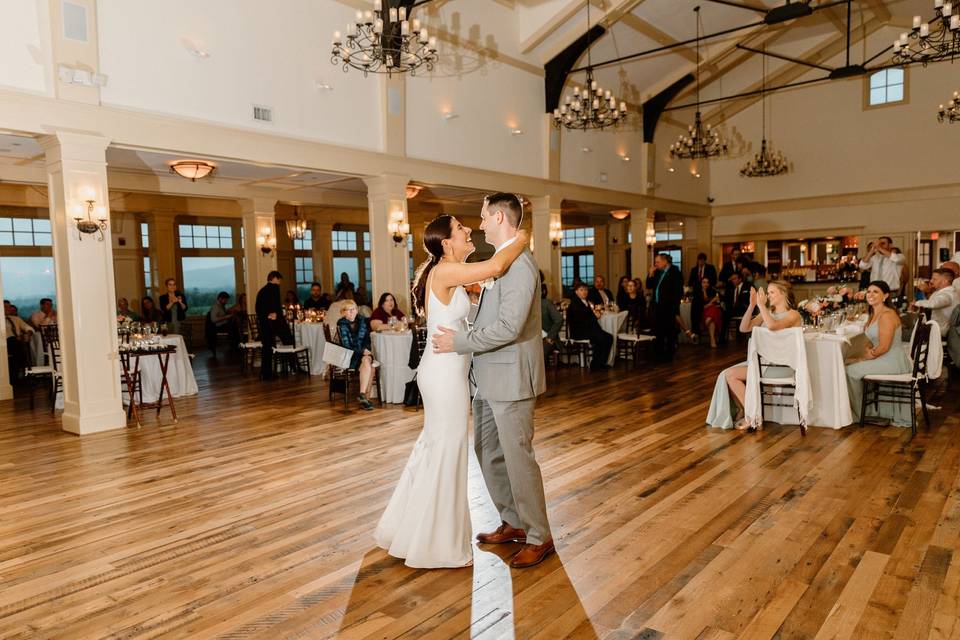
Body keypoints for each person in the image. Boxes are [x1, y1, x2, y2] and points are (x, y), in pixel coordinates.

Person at [374, 205, 533, 569]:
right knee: (447, 450)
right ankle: (435, 542)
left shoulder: (448, 272)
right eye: (462, 228)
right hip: (444, 374)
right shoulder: (446, 270)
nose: (469, 231)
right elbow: (495, 267)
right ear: (446, 242)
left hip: (445, 370)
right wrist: (521, 237)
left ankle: (414, 529)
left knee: (438, 448)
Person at [429, 194, 553, 569]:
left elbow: (509, 327)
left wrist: (459, 342)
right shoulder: (501, 263)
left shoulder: (521, 267)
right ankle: (513, 520)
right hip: (485, 376)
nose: (479, 224)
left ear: (499, 217)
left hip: (512, 377)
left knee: (518, 458)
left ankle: (538, 535)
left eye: (483, 217)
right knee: (487, 451)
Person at [706, 281, 803, 431]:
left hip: (782, 366)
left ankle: (752, 416)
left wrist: (762, 306)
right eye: (768, 293)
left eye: (772, 292)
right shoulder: (767, 312)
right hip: (763, 363)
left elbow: (772, 326)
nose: (768, 296)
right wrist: (752, 306)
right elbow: (744, 328)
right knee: (726, 374)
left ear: (783, 294)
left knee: (730, 375)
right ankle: (749, 413)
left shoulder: (793, 315)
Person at [845, 281, 912, 426]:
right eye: (869, 291)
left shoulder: (886, 315)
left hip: (892, 361)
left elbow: (883, 347)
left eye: (875, 292)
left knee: (850, 371)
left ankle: (861, 414)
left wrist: (860, 359)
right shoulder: (874, 313)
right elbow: (871, 339)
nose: (870, 295)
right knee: (849, 364)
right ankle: (868, 411)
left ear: (885, 296)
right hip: (885, 358)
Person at [336, 299, 376, 410]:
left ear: (357, 310)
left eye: (353, 309)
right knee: (369, 365)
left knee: (367, 361)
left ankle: (363, 396)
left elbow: (367, 340)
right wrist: (363, 351)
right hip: (350, 356)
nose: (351, 312)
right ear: (342, 313)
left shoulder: (362, 321)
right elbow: (346, 346)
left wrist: (366, 350)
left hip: (363, 354)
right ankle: (365, 398)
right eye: (348, 310)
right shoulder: (342, 325)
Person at [566, 281, 613, 371]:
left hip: (588, 329)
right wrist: (595, 317)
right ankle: (595, 365)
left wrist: (596, 323)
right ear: (576, 291)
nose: (584, 292)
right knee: (601, 338)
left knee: (609, 337)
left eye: (586, 290)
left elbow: (589, 318)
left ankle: (601, 363)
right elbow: (582, 320)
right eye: (581, 290)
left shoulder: (586, 301)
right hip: (579, 331)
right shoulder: (575, 303)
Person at [255, 271, 292, 380]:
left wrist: (267, 315)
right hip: (272, 324)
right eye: (279, 280)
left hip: (264, 324)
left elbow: (258, 308)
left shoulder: (262, 291)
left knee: (267, 348)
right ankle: (293, 366)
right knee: (288, 340)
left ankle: (265, 373)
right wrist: (276, 315)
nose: (280, 283)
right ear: (275, 278)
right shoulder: (274, 288)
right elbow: (276, 307)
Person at [648, 253, 683, 361]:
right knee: (658, 332)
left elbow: (678, 292)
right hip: (657, 307)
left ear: (665, 261)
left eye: (657, 262)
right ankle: (658, 355)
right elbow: (649, 285)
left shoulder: (675, 272)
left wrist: (674, 308)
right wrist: (650, 274)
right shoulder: (657, 272)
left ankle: (668, 356)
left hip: (669, 307)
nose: (655, 264)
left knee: (669, 332)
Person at [913, 268, 958, 334]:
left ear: (945, 281)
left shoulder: (948, 294)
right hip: (931, 329)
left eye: (934, 279)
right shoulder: (940, 292)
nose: (931, 281)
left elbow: (934, 303)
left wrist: (916, 303)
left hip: (938, 332)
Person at [4, 300, 34, 380]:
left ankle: (23, 371)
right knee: (15, 341)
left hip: (17, 343)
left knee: (21, 343)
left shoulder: (15, 318)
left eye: (9, 306)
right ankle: (24, 371)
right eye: (5, 307)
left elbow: (27, 327)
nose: (8, 308)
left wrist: (29, 333)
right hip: (5, 343)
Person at [205, 291, 241, 356]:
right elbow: (213, 320)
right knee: (234, 327)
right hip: (218, 327)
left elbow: (223, 313)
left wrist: (230, 312)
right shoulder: (216, 307)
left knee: (234, 325)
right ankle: (236, 345)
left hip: (222, 325)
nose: (226, 301)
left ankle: (236, 344)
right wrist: (226, 317)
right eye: (226, 300)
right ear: (220, 299)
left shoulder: (221, 306)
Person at [696, 277, 723, 348]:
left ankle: (705, 324)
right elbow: (700, 307)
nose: (705, 284)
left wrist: (714, 301)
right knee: (712, 320)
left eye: (707, 282)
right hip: (703, 312)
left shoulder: (712, 290)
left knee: (713, 309)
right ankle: (712, 339)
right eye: (703, 282)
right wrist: (710, 303)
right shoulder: (697, 292)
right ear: (701, 283)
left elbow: (719, 299)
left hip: (714, 310)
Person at [540, 284, 563, 363]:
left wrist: (550, 337)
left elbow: (559, 319)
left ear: (542, 292)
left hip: (547, 338)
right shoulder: (527, 303)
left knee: (540, 351)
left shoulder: (546, 303)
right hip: (533, 339)